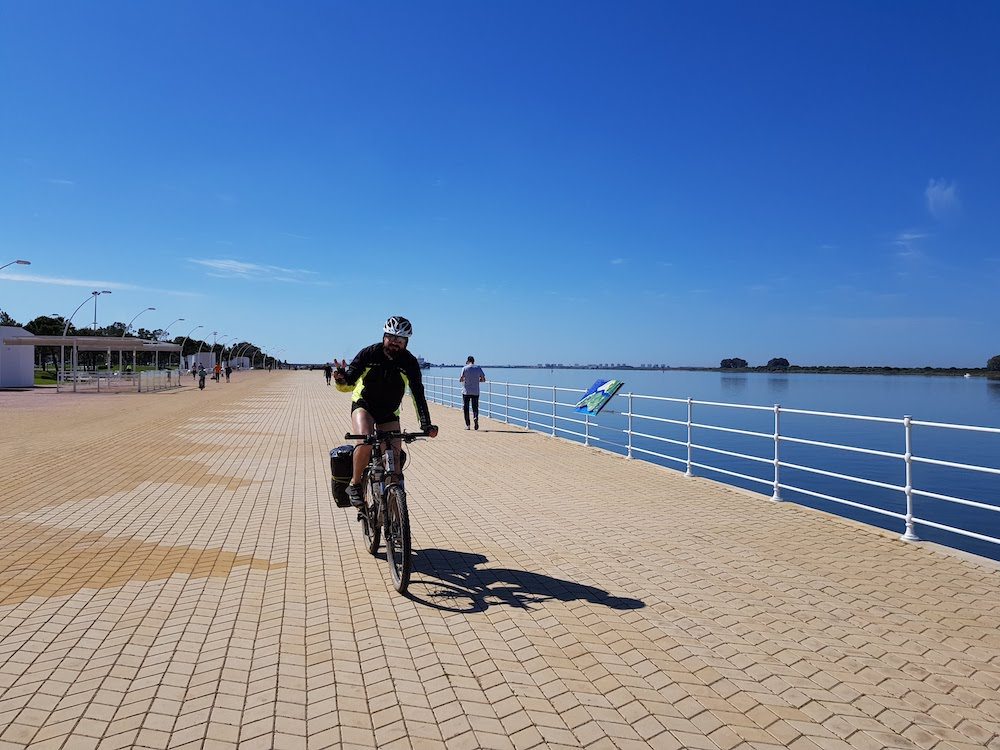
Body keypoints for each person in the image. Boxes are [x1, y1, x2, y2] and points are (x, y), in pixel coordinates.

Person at [333, 316, 438, 507]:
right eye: (391, 338)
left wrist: (426, 424)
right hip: (364, 405)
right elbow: (349, 383)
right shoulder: (369, 354)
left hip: (389, 412)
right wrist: (341, 379)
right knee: (364, 440)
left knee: (395, 461)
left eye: (400, 340)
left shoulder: (410, 363)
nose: (394, 343)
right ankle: (355, 485)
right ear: (384, 336)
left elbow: (418, 395)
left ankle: (393, 510)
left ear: (406, 342)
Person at [459, 355, 487, 430]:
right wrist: (478, 380)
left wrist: (464, 380)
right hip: (475, 391)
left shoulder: (464, 368)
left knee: (466, 408)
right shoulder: (478, 368)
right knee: (475, 407)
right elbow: (483, 379)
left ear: (468, 361)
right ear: (474, 361)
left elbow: (461, 379)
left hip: (466, 391)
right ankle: (475, 417)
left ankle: (468, 425)